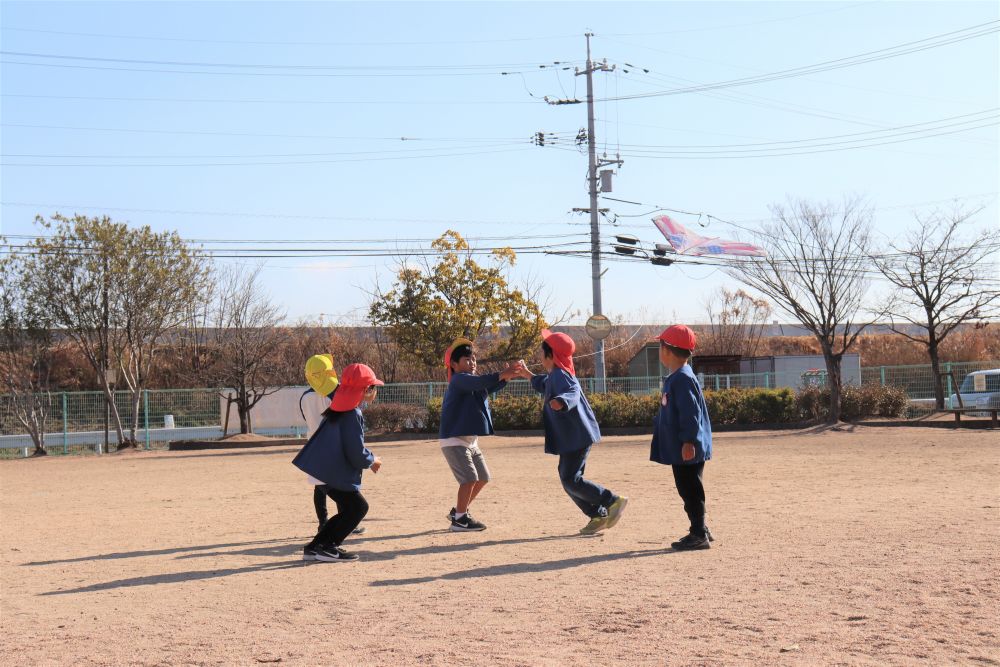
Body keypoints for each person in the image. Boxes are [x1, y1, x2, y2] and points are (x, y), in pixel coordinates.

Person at [516, 330, 628, 535]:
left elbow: (573, 391)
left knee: (570, 479)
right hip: (572, 437)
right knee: (568, 478)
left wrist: (562, 402)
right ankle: (598, 514)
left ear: (550, 355)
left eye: (542, 351)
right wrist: (527, 375)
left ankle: (611, 501)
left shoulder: (560, 375)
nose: (539, 355)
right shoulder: (554, 375)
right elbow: (543, 384)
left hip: (577, 436)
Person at [292, 363, 384, 562]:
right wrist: (372, 460)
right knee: (358, 508)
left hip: (323, 471)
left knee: (350, 508)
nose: (375, 392)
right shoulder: (353, 413)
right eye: (373, 387)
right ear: (366, 390)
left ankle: (315, 547)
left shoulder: (339, 408)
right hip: (332, 473)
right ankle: (328, 546)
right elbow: (356, 452)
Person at [438, 338, 522, 532]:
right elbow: (482, 382)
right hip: (454, 439)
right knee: (469, 479)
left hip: (469, 441)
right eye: (467, 359)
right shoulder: (459, 380)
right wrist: (503, 374)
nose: (472, 362)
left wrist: (508, 376)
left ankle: (458, 511)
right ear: (453, 364)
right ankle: (459, 520)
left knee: (482, 477)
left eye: (474, 359)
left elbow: (488, 385)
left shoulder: (470, 381)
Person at [650, 325, 715, 551]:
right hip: (684, 445)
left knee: (689, 489)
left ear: (667, 350)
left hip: (687, 447)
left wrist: (688, 441)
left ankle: (698, 533)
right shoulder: (678, 377)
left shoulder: (682, 379)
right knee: (689, 486)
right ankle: (701, 528)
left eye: (660, 346)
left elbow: (691, 413)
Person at [299, 355, 366, 536]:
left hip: (313, 444)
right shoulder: (335, 394)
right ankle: (345, 520)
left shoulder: (305, 396)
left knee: (320, 487)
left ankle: (323, 523)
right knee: (340, 484)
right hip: (332, 444)